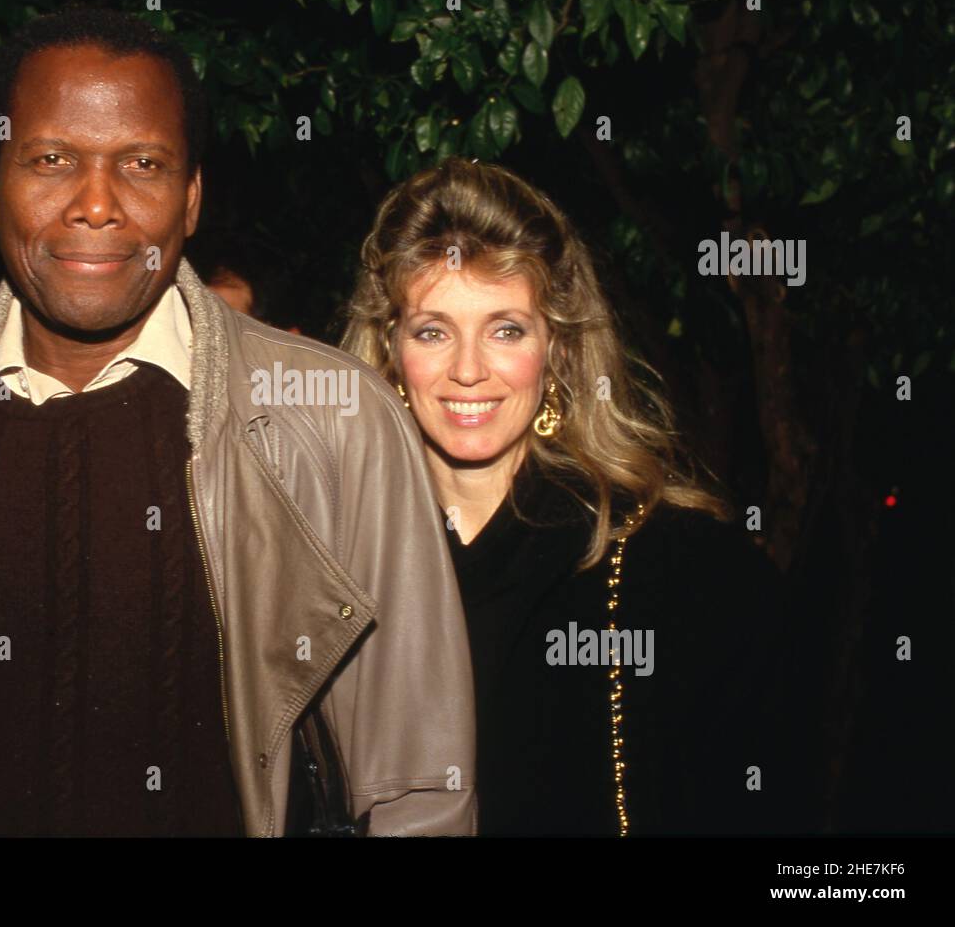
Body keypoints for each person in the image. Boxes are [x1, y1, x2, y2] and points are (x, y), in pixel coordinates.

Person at [0, 7, 477, 837]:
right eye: (50, 160)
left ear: (191, 200)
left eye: (142, 163)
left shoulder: (334, 421)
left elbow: (419, 788)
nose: (96, 204)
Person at [342, 157, 799, 835]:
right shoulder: (333, 568)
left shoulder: (688, 570)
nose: (468, 370)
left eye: (506, 329)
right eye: (433, 331)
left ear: (555, 347)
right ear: (390, 352)